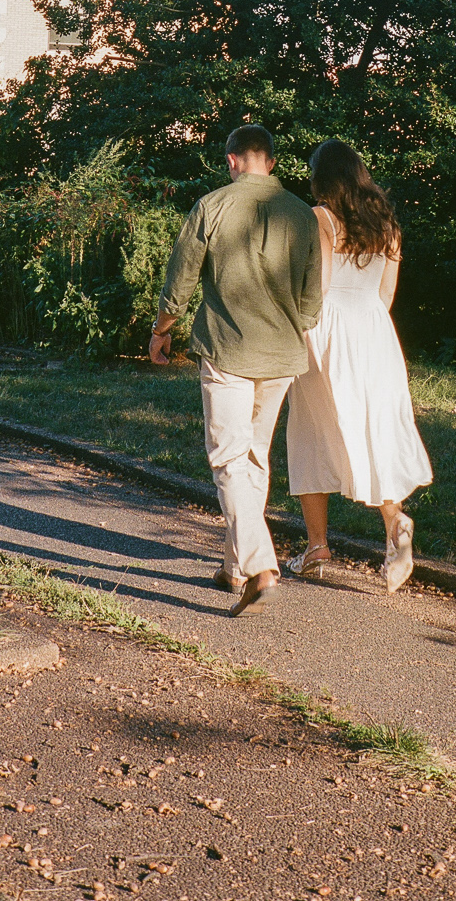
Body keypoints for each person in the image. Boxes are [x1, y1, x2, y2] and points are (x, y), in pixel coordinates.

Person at [149, 124, 322, 614]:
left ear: (231, 161)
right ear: (269, 160)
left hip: (227, 350)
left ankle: (260, 564)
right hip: (282, 355)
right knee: (253, 460)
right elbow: (313, 300)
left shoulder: (213, 205)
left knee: (227, 458)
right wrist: (293, 324)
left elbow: (180, 280)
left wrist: (161, 329)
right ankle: (235, 568)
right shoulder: (302, 216)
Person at [285, 139, 433, 593]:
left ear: (323, 177)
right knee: (372, 428)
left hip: (328, 329)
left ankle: (316, 546)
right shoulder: (387, 226)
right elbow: (386, 295)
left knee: (310, 431)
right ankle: (394, 522)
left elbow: (320, 284)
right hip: (375, 331)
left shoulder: (320, 219)